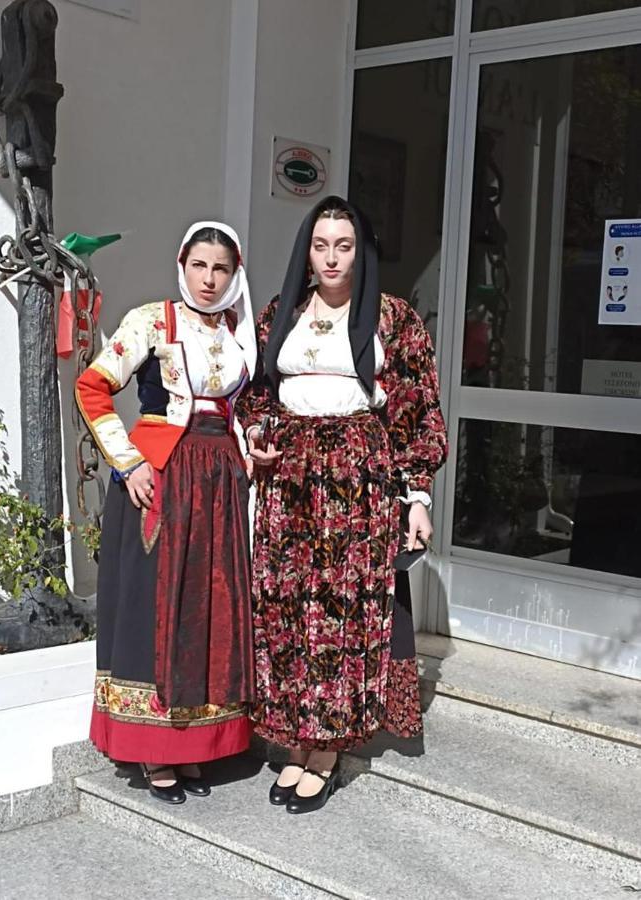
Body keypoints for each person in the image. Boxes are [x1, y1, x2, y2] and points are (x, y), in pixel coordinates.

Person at [236, 196, 448, 814]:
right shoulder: (282, 313)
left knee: (340, 612)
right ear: (307, 248)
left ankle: (326, 750)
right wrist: (258, 433)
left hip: (355, 481)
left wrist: (415, 495)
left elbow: (418, 411)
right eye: (321, 245)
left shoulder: (392, 319)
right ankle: (296, 737)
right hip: (287, 479)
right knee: (285, 605)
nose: (331, 258)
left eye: (344, 245)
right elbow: (254, 393)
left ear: (362, 250)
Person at [76, 221, 257, 804]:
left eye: (221, 269)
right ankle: (152, 747)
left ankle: (197, 741)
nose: (208, 279)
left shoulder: (238, 333)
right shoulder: (151, 320)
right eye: (200, 265)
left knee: (210, 606)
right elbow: (92, 387)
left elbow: (241, 408)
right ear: (183, 263)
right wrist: (127, 463)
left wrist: (251, 445)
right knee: (158, 606)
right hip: (162, 478)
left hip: (220, 485)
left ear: (234, 275)